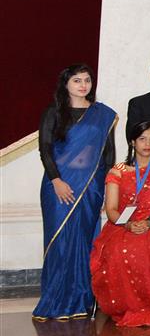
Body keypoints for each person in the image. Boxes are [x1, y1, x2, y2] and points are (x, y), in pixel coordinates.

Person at [33, 64, 117, 321]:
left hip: (90, 187)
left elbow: (108, 155)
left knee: (84, 242)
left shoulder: (102, 114)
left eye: (87, 80)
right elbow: (45, 149)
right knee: (59, 243)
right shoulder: (54, 112)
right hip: (57, 186)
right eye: (77, 80)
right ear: (66, 84)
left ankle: (82, 299)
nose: (83, 85)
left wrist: (107, 188)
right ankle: (55, 300)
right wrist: (56, 180)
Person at [89, 122, 150, 326]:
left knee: (149, 248)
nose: (148, 144)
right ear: (133, 142)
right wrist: (128, 226)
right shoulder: (118, 171)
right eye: (142, 139)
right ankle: (124, 306)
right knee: (118, 250)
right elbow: (112, 210)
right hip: (122, 225)